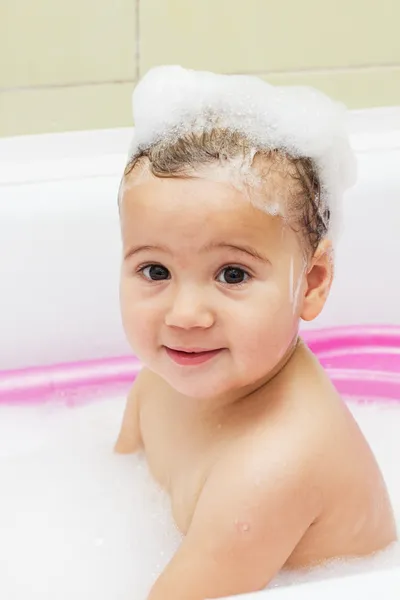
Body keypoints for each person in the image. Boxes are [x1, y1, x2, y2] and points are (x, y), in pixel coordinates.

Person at [114, 66, 397, 599]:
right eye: (155, 271)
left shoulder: (274, 469)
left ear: (310, 282)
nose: (185, 314)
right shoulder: (162, 379)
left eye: (233, 274)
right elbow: (115, 473)